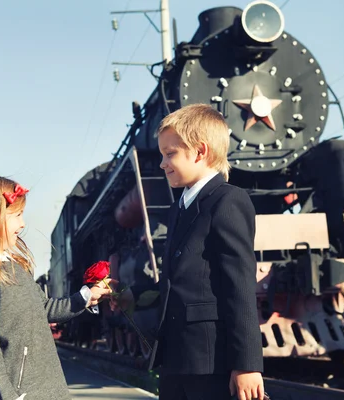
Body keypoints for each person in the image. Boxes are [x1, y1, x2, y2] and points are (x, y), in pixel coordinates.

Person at [112, 104, 265, 400]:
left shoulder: (228, 201)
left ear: (200, 152)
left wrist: (247, 365)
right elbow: (178, 283)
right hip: (176, 360)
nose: (162, 163)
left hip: (210, 362)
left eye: (170, 154)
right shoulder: (178, 208)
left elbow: (239, 287)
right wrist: (133, 295)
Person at [0, 174, 112, 400]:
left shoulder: (17, 267)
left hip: (48, 384)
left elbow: (45, 308)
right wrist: (7, 396)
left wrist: (86, 296)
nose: (22, 223)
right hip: (19, 393)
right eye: (17, 215)